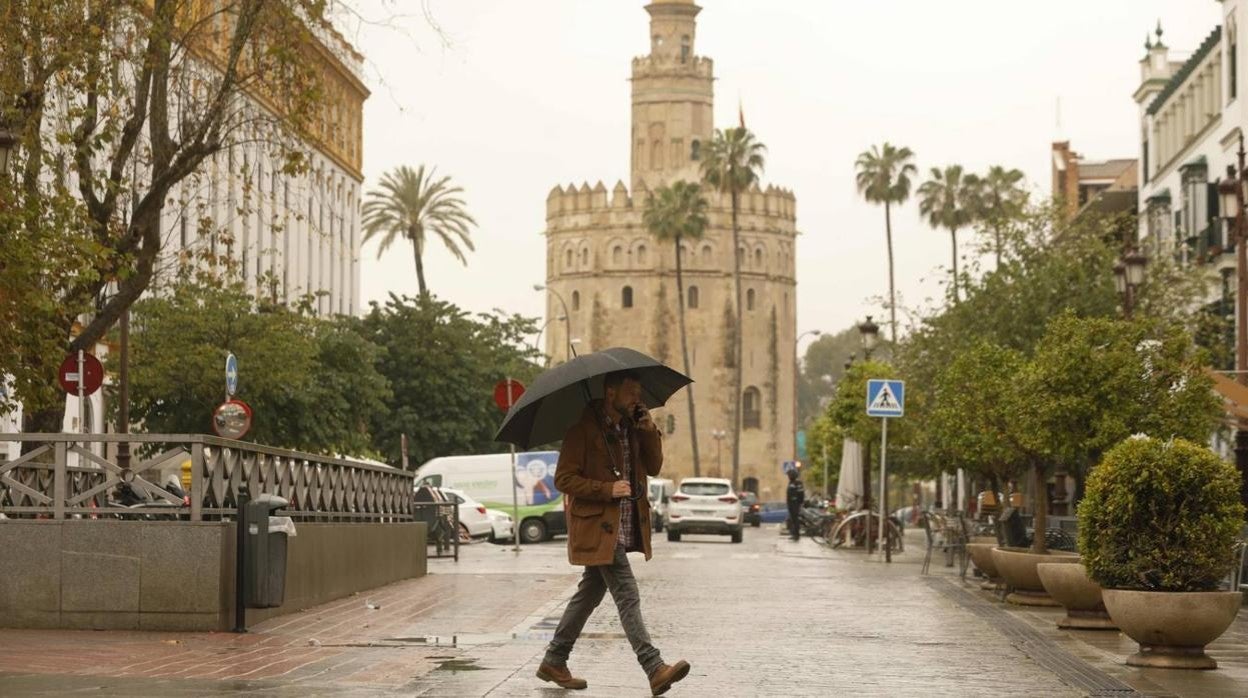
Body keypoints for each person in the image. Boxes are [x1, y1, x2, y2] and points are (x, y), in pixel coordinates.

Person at [536, 370, 691, 695]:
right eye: (632, 392)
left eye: (639, 393)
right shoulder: (581, 431)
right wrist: (606, 489)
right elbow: (563, 479)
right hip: (597, 527)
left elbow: (654, 467)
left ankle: (554, 660)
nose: (638, 399)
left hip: (622, 524)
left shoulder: (633, 429)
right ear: (611, 393)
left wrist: (649, 431)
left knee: (589, 593)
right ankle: (654, 668)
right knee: (627, 594)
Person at [785, 468, 805, 541]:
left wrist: (799, 503)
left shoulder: (798, 483)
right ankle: (793, 533)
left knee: (795, 519)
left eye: (789, 475)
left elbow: (801, 494)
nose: (788, 476)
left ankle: (796, 535)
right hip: (790, 503)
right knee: (792, 519)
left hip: (795, 503)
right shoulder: (790, 483)